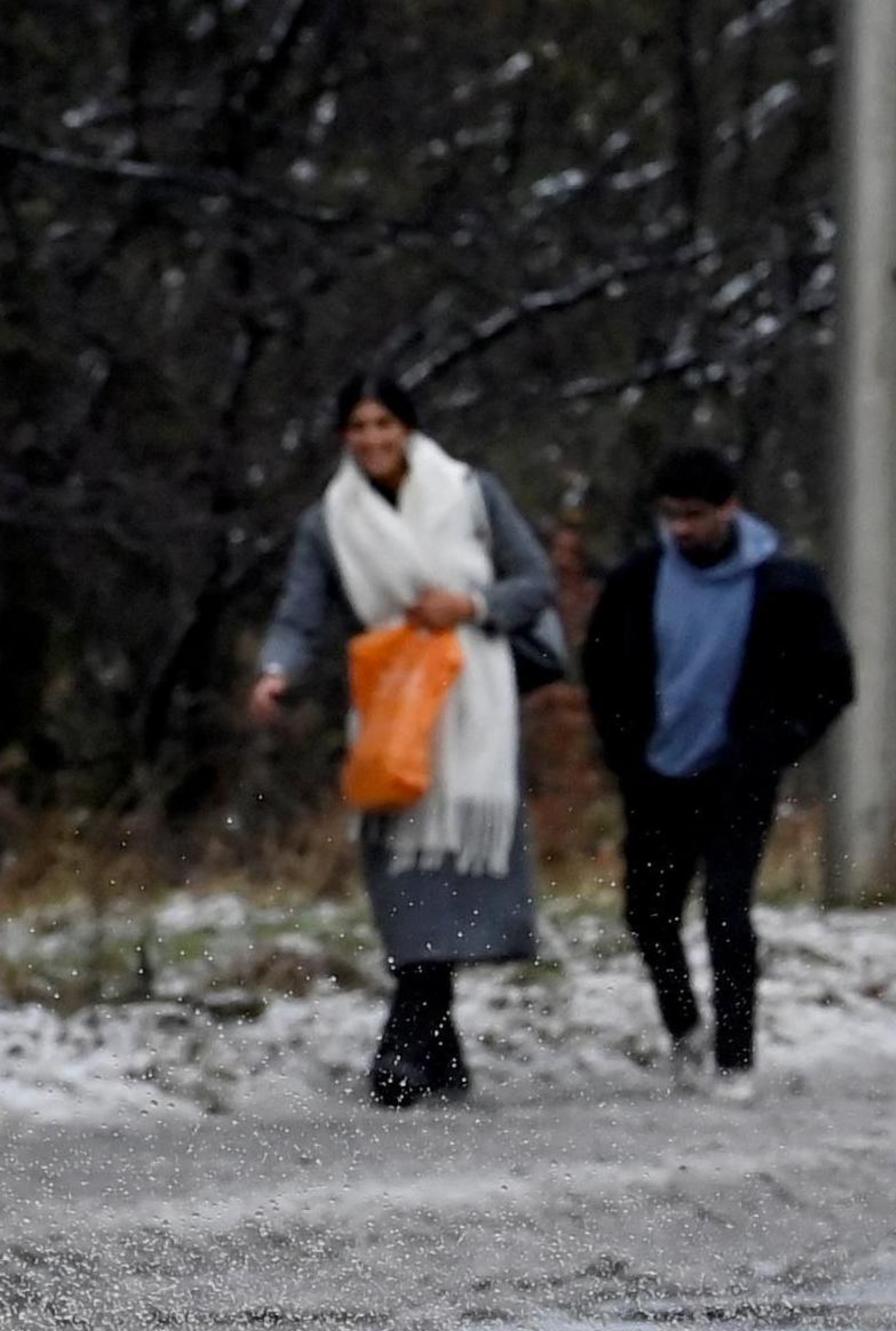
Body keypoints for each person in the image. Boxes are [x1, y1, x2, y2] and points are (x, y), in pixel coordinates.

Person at [251, 375, 561, 1108]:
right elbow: (301, 612)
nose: (372, 439)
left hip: (472, 704)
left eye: (384, 423)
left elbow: (535, 580)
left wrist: (472, 604)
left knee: (452, 872)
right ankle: (438, 1053)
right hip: (390, 703)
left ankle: (403, 1048)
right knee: (403, 877)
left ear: (408, 429)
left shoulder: (470, 492)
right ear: (343, 437)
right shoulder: (330, 521)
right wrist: (275, 672)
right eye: (357, 425)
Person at [579, 447, 853, 1102]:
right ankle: (684, 1029)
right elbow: (601, 669)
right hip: (656, 774)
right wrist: (624, 749)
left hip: (738, 775)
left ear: (730, 509)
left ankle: (736, 1056)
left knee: (727, 910)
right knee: (648, 914)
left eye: (695, 515)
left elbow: (832, 683)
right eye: (670, 515)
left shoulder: (785, 586)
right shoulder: (637, 581)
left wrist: (771, 746)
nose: (682, 529)